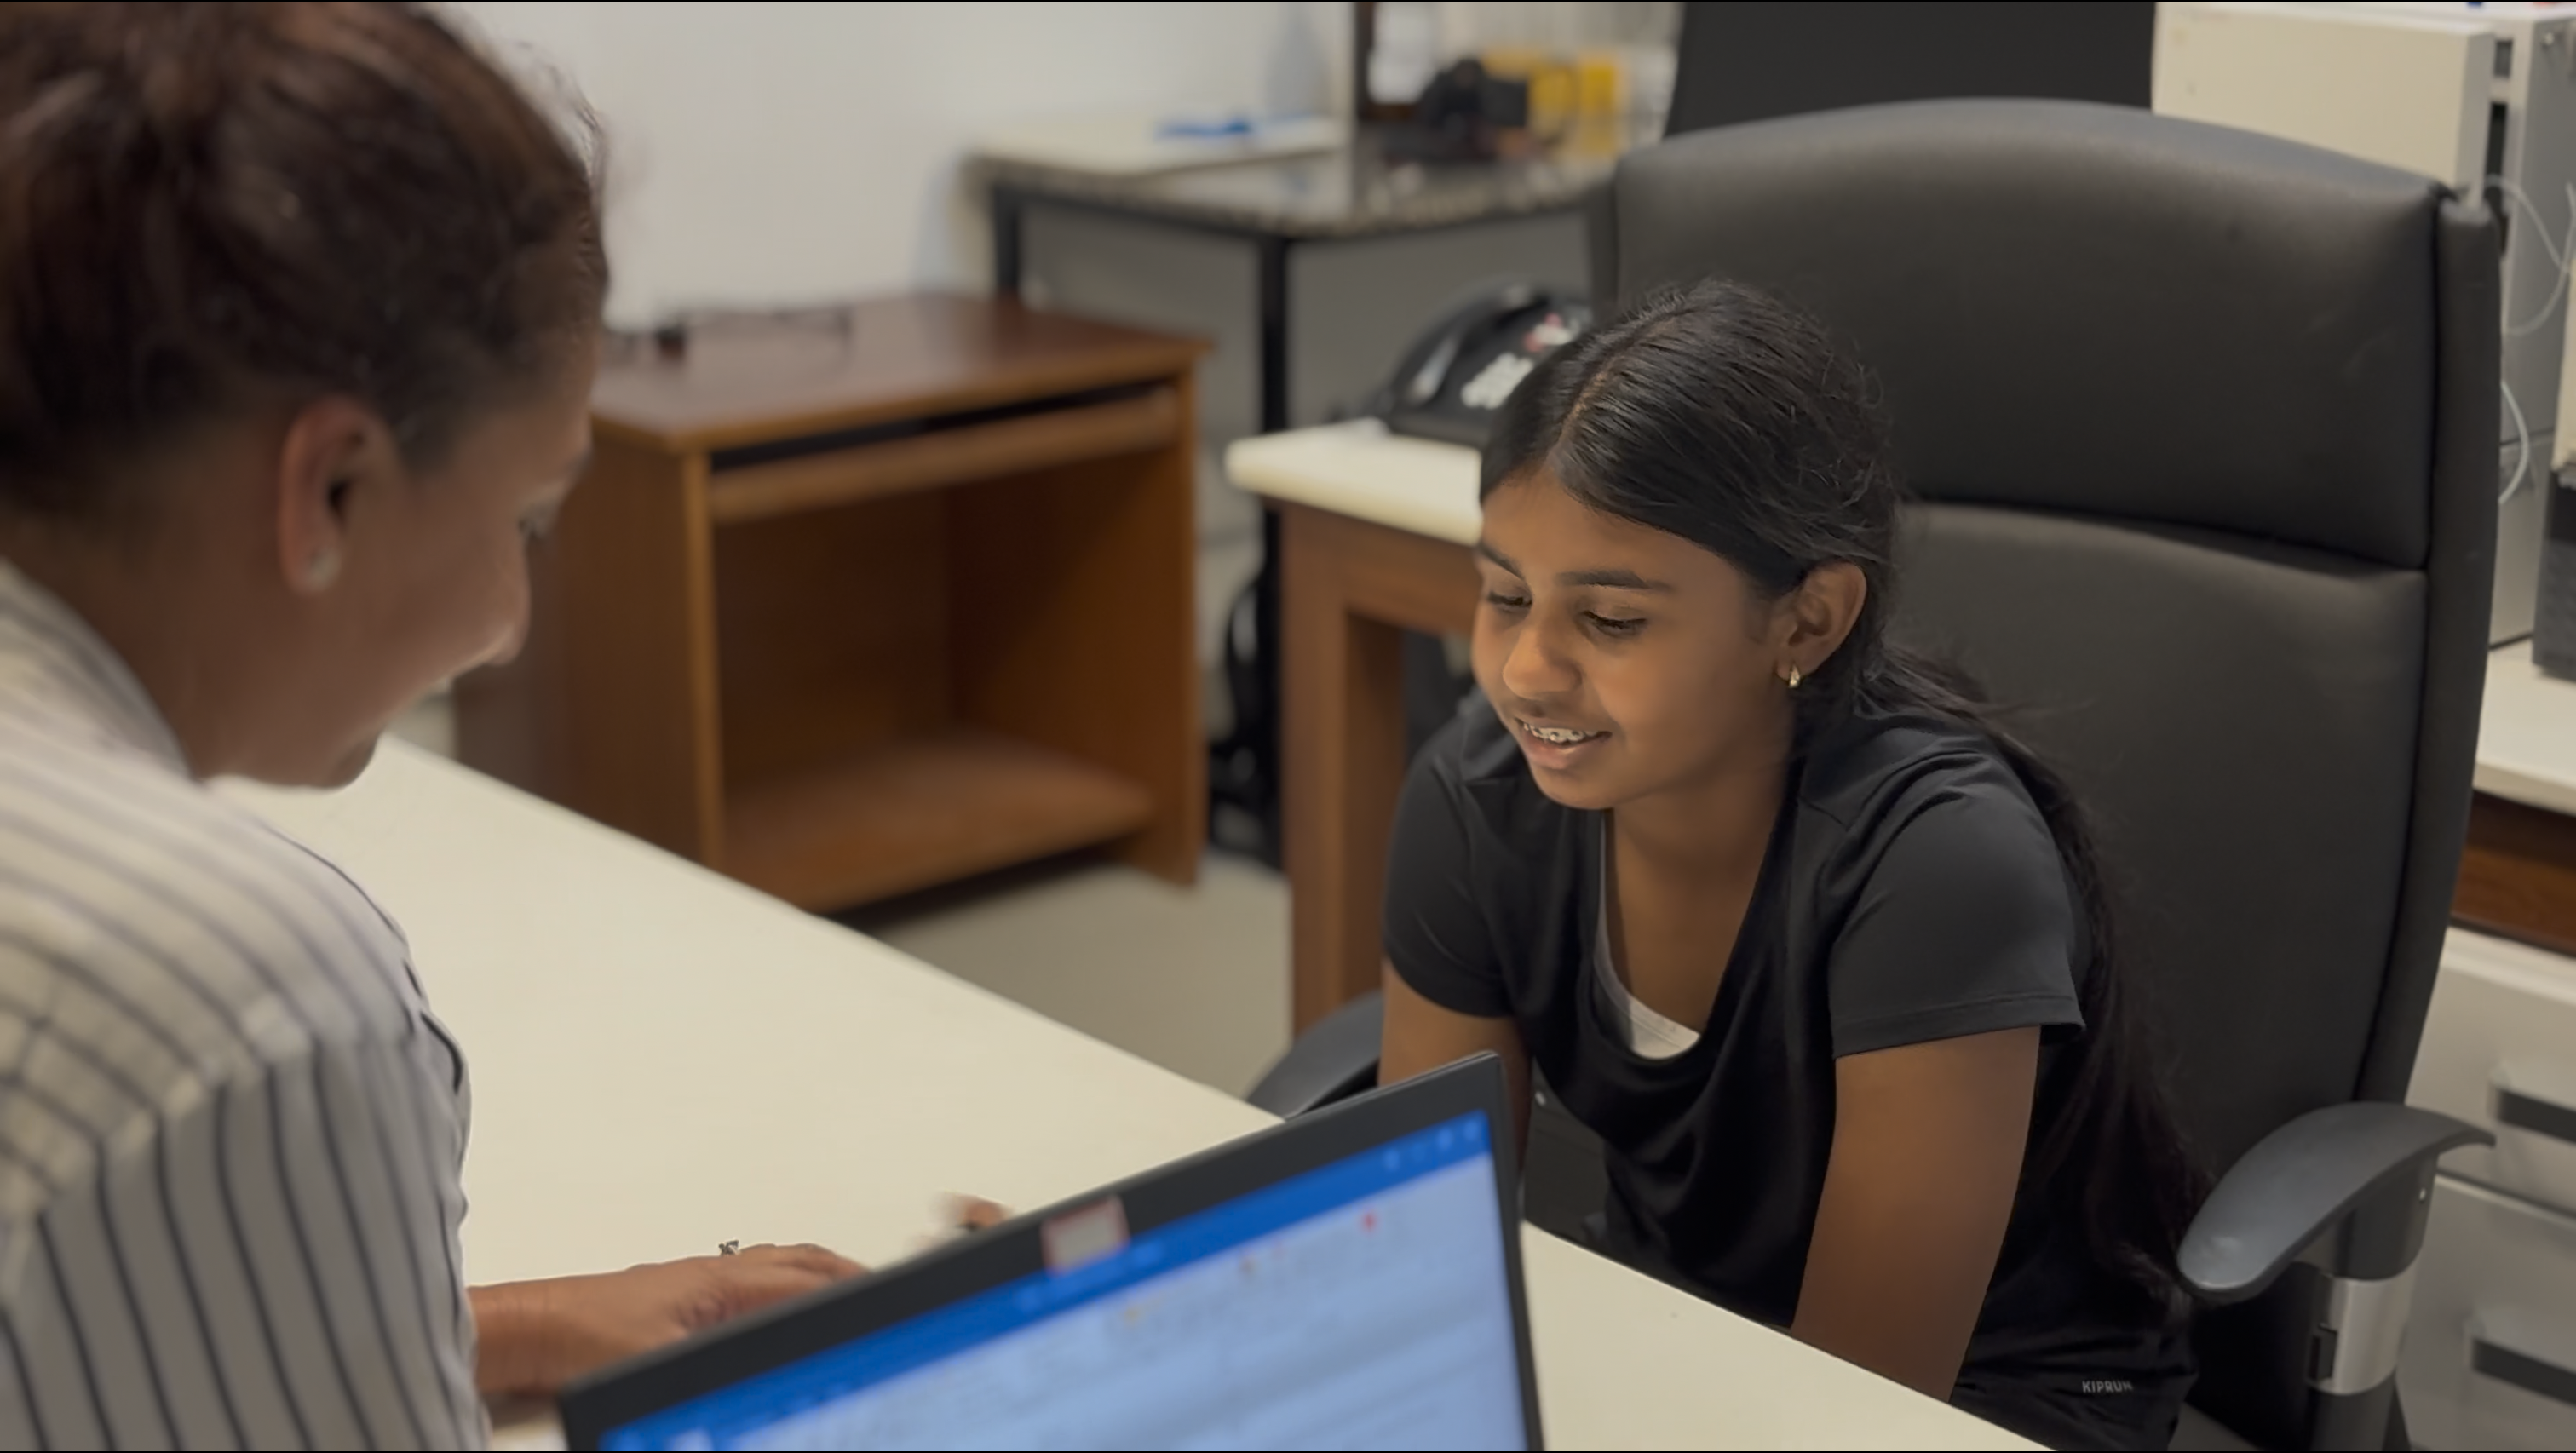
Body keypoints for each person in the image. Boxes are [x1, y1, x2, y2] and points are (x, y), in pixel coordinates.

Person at [0, 4, 860, 1446]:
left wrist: (481, 1322)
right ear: (329, 490)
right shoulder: (249, 1001)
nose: (510, 619)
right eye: (522, 516)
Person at [1377, 280, 2205, 1452]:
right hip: (1694, 1339)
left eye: (1610, 621)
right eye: (1504, 595)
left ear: (1807, 623)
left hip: (1986, 1398)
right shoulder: (1480, 803)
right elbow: (1423, 1265)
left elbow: (1850, 1411)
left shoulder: (1933, 869)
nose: (1526, 671)